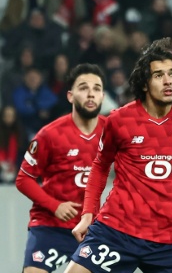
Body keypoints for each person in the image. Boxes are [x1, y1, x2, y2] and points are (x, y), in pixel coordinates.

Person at [65, 38, 172, 273]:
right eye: (158, 76)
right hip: (118, 230)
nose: (168, 81)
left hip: (170, 235)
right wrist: (87, 214)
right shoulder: (120, 120)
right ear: (145, 84)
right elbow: (100, 166)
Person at [15, 64, 106, 273]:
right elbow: (23, 179)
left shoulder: (111, 132)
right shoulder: (50, 135)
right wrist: (55, 206)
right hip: (50, 225)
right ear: (70, 96)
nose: (91, 94)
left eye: (97, 88)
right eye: (83, 88)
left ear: (102, 96)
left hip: (91, 229)